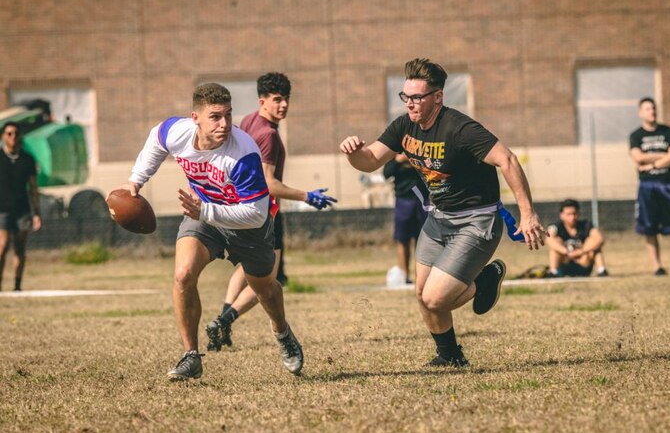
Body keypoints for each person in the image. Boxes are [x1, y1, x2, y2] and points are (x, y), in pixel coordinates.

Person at [339, 58, 546, 367]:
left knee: (436, 299)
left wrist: (528, 214)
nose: (410, 104)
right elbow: (370, 161)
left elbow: (509, 160)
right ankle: (450, 357)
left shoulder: (460, 128)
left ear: (438, 96)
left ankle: (484, 280)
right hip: (439, 219)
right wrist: (354, 153)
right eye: (405, 97)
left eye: (417, 97)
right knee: (422, 294)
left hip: (477, 221)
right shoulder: (404, 126)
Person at [119, 82, 304, 381]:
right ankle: (191, 355)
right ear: (195, 117)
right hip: (203, 216)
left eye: (229, 115)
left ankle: (282, 332)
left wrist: (205, 210)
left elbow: (256, 215)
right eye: (216, 117)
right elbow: (156, 140)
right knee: (183, 275)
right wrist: (136, 180)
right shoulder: (176, 131)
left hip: (245, 225)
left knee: (265, 289)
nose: (225, 124)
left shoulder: (243, 153)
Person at [205, 72, 336, 351]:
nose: (284, 105)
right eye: (277, 100)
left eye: (286, 99)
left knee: (245, 267)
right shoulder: (268, 135)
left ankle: (221, 322)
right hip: (264, 212)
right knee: (267, 278)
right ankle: (226, 319)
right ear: (262, 101)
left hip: (238, 206)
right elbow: (268, 183)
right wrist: (307, 196)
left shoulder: (250, 121)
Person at [629, 97, 670, 275]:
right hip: (646, 186)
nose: (652, 111)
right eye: (648, 109)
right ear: (640, 112)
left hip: (666, 184)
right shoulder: (636, 135)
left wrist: (652, 164)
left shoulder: (668, 132)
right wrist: (662, 155)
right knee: (649, 228)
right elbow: (638, 157)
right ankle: (657, 267)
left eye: (653, 108)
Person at [0, 122, 42, 292]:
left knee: (19, 247)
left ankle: (17, 285)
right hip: (2, 208)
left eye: (16, 133)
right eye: (9, 134)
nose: (13, 137)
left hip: (22, 209)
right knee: (2, 246)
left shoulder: (27, 160)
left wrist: (37, 212)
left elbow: (33, 187)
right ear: (3, 136)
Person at [383, 153, 428, 284]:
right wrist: (399, 160)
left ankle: (422, 277)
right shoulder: (395, 151)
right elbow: (386, 173)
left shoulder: (422, 149)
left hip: (423, 200)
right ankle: (404, 276)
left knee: (423, 240)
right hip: (403, 200)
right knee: (402, 239)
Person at [546, 199, 608, 277]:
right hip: (565, 263)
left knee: (594, 245)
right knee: (555, 245)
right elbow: (549, 239)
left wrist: (581, 251)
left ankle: (602, 270)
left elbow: (600, 239)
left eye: (574, 214)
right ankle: (553, 272)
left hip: (583, 263)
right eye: (569, 214)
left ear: (579, 213)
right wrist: (566, 252)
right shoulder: (556, 226)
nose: (572, 217)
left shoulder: (586, 225)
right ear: (561, 215)